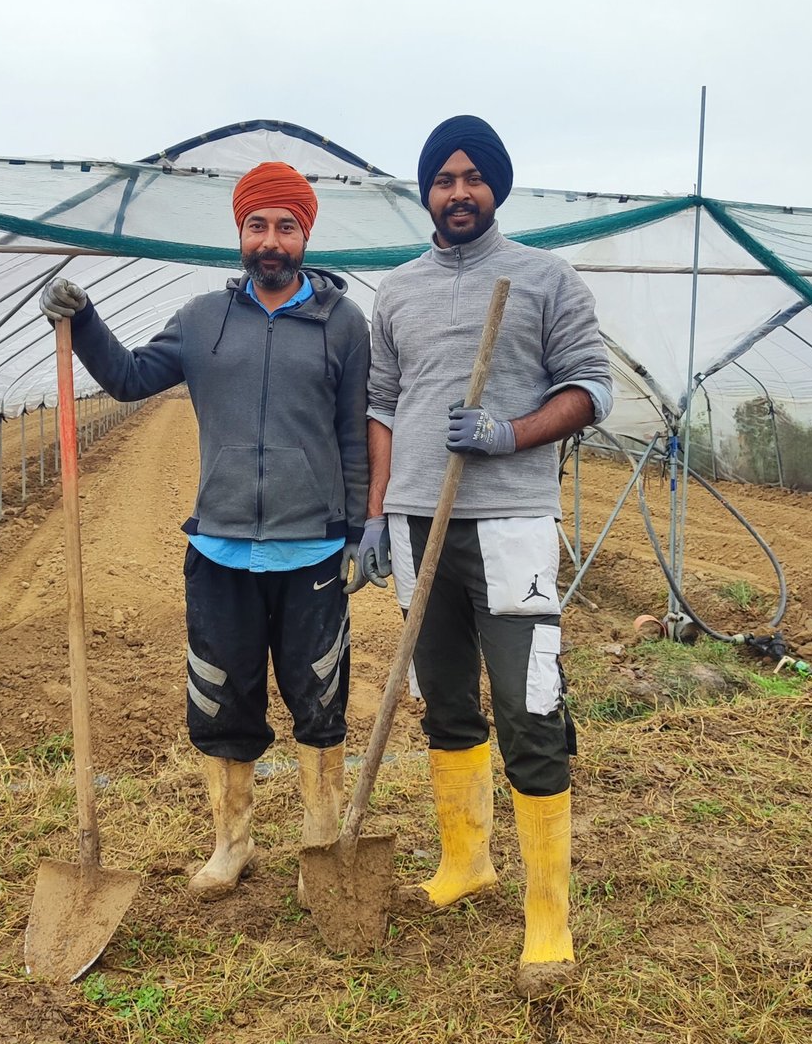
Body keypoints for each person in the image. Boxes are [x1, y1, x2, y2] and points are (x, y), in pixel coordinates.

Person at [41, 161, 370, 905]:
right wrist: (83, 319)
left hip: (313, 550)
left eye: (287, 226)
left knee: (319, 698)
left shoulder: (344, 324)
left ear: (306, 233)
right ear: (240, 232)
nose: (272, 240)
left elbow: (354, 432)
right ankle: (232, 843)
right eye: (258, 225)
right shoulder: (200, 320)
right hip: (218, 547)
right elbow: (127, 378)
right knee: (222, 699)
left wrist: (359, 528)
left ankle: (319, 842)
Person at [353, 115, 611, 997]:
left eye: (472, 177)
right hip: (419, 522)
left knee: (531, 707)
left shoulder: (544, 278)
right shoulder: (396, 291)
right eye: (442, 179)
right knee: (444, 702)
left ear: (495, 186)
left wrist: (510, 432)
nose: (457, 191)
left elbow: (589, 389)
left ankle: (549, 913)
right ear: (425, 191)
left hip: (509, 526)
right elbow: (383, 403)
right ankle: (466, 862)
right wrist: (376, 511)